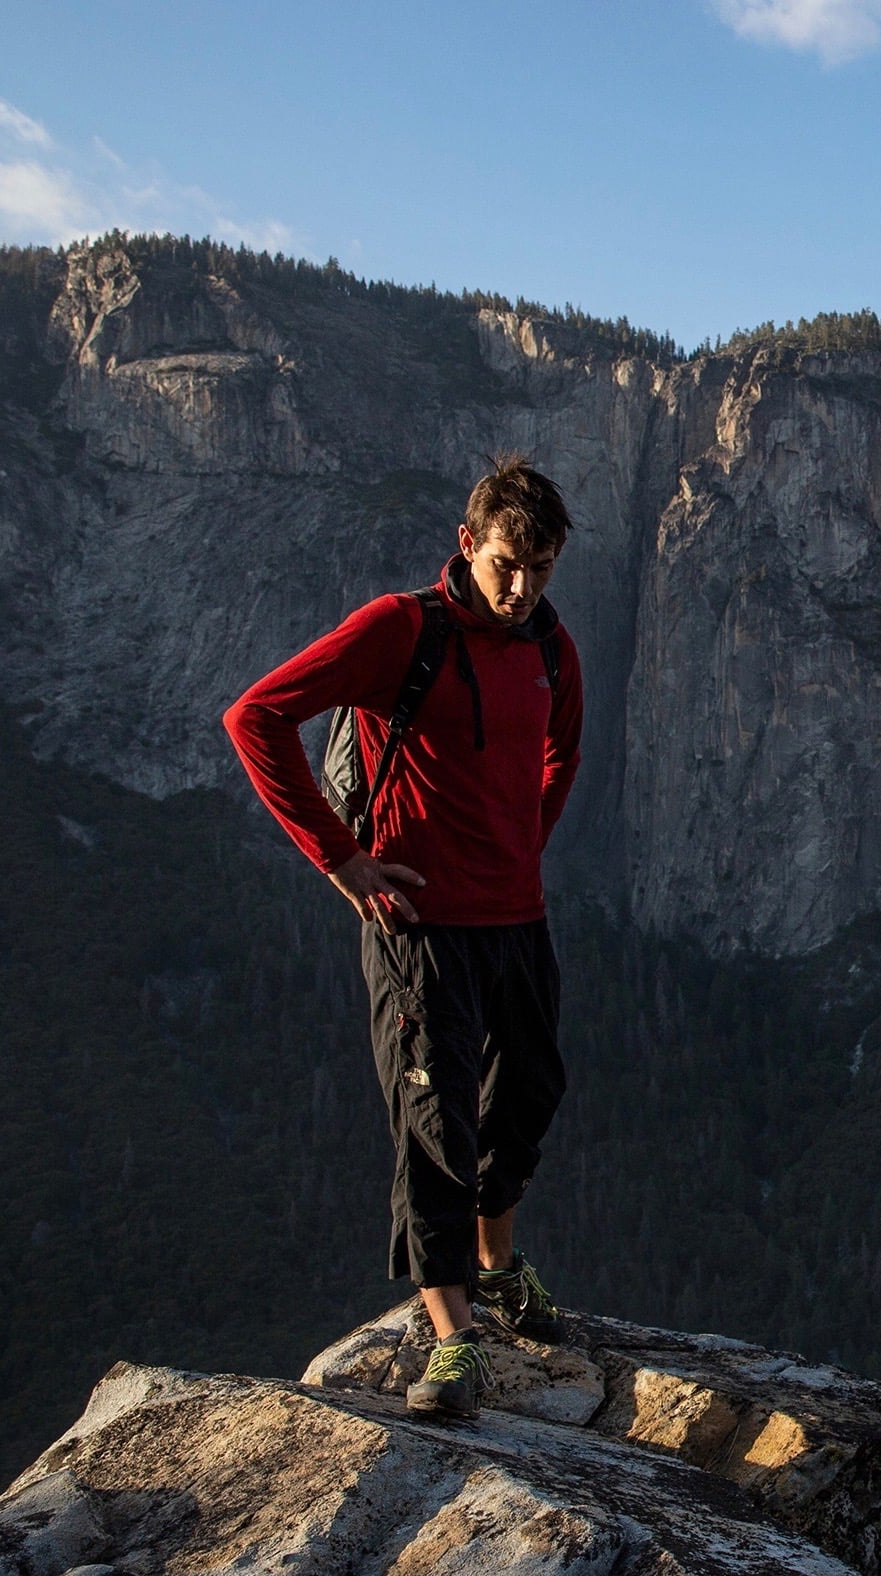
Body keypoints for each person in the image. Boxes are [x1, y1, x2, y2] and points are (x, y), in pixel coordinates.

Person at [223, 455, 585, 1416]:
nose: (522, 588)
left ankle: (496, 1262)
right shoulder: (400, 632)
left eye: (541, 570)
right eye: (509, 563)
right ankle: (453, 1336)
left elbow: (563, 752)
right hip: (416, 927)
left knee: (532, 1090)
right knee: (436, 1123)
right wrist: (341, 861)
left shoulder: (551, 648)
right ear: (467, 545)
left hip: (517, 921)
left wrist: (519, 848)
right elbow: (256, 716)